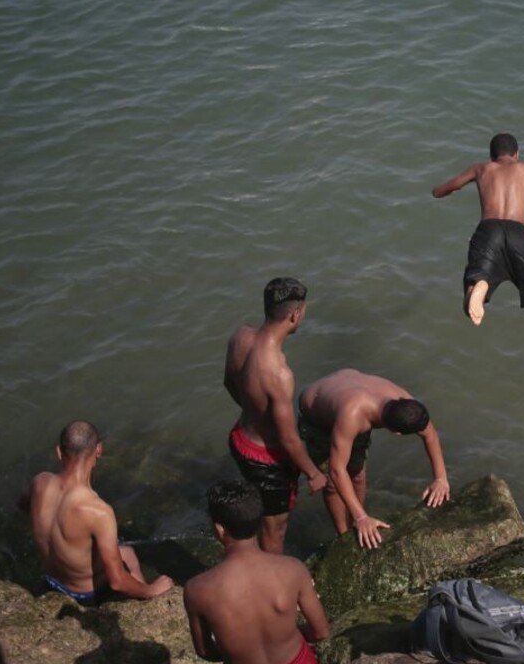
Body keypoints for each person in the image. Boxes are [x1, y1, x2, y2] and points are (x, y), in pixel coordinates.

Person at [432, 133, 524, 397]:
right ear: (517, 154)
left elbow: (440, 191)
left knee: (470, 301)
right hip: (519, 235)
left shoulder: (481, 168)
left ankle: (480, 285)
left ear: (491, 156)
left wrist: (445, 189)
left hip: (488, 233)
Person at [225, 277, 326, 554]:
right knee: (274, 531)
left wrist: (254, 411)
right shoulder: (279, 374)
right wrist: (313, 473)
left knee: (260, 512)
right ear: (295, 315)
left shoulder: (240, 336)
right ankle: (272, 577)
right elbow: (288, 439)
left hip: (240, 439)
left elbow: (229, 382)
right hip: (266, 460)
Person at [23, 420, 173, 603]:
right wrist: (153, 589)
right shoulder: (99, 511)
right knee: (129, 555)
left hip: (51, 580)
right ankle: (145, 604)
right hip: (83, 594)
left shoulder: (40, 482)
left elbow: (23, 505)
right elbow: (117, 582)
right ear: (99, 450)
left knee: (120, 549)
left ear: (59, 451)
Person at [298, 369, 450, 549]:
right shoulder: (352, 416)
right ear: (395, 432)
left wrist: (441, 478)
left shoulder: (404, 402)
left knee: (357, 475)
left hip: (348, 395)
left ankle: (356, 520)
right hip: (317, 414)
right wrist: (361, 517)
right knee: (332, 484)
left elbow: (430, 434)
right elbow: (336, 470)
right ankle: (343, 534)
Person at [184, 480, 329, 664]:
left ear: (220, 529)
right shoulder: (293, 569)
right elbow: (321, 632)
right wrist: (287, 636)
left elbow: (205, 651)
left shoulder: (197, 590)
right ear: (259, 521)